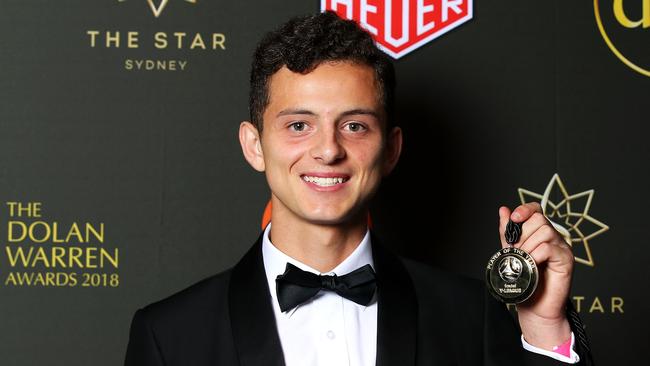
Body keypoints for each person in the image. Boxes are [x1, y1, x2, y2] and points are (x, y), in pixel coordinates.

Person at [124, 11, 591, 366]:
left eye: (354, 125)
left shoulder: (474, 318)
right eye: (299, 125)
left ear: (390, 149)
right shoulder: (169, 335)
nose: (328, 150)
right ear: (254, 145)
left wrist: (545, 329)